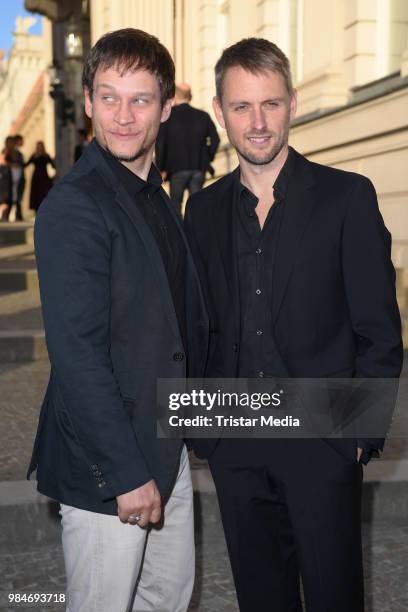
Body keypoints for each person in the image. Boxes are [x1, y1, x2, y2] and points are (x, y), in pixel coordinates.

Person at [184, 38, 403, 612]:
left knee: (335, 597)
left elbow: (379, 328)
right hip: (234, 439)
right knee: (261, 598)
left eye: (270, 104)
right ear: (219, 111)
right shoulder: (202, 211)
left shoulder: (346, 196)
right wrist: (204, 430)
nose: (257, 123)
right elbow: (197, 325)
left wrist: (356, 438)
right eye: (241, 107)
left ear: (293, 104)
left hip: (322, 438)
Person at [27, 28, 208, 612]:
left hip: (166, 446)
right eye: (108, 97)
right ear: (87, 103)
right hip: (113, 467)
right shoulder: (76, 205)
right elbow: (78, 354)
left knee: (167, 600)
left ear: (166, 107)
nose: (123, 117)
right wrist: (125, 474)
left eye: (139, 100)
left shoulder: (152, 195)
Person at [155, 83, 220, 214]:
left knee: (175, 206)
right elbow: (216, 140)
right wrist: (207, 158)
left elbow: (160, 144)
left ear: (174, 96)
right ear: (190, 96)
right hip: (198, 169)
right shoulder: (203, 116)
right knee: (197, 207)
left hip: (176, 170)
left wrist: (160, 168)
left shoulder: (167, 117)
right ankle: (196, 234)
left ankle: (180, 235)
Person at [25, 141, 55, 213]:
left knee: (43, 194)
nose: (39, 148)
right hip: (36, 177)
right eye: (38, 146)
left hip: (44, 177)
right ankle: (37, 211)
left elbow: (53, 166)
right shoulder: (34, 156)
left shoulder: (46, 156)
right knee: (36, 194)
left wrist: (54, 176)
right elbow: (26, 164)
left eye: (40, 146)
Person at [13, 134, 25, 220]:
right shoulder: (15, 153)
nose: (23, 142)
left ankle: (18, 214)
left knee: (18, 196)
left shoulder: (18, 153)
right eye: (21, 140)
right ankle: (18, 215)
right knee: (17, 196)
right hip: (16, 176)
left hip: (20, 175)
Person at [0, 149, 12, 221]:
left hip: (5, 187)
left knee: (4, 202)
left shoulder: (7, 167)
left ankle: (4, 217)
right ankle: (3, 217)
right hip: (2, 186)